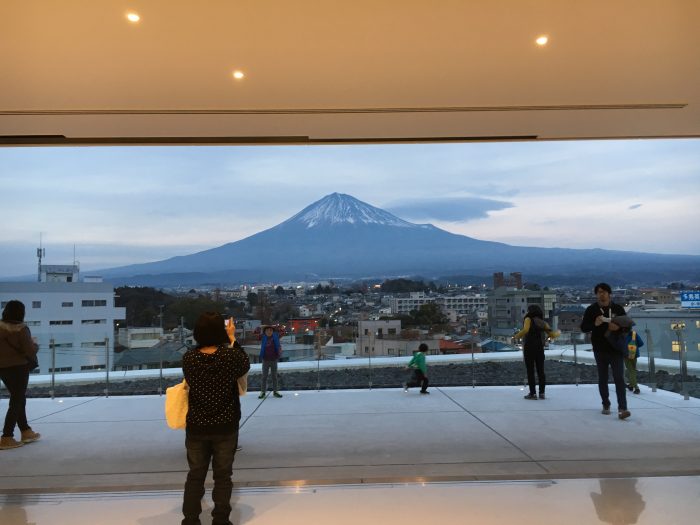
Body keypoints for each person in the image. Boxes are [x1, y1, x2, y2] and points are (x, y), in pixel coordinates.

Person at [181, 312, 250, 525]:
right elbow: (245, 364)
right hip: (225, 425)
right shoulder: (230, 357)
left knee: (195, 475)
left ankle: (190, 520)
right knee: (222, 476)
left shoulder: (189, 359)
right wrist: (232, 339)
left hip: (197, 426)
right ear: (221, 331)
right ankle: (220, 519)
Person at [581, 283, 631, 420]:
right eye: (598, 292)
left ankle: (622, 408)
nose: (601, 294)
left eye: (603, 292)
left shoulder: (618, 308)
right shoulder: (592, 310)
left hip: (615, 348)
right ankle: (606, 404)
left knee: (619, 378)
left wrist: (618, 328)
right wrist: (595, 324)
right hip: (599, 348)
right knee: (603, 378)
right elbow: (584, 327)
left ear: (609, 294)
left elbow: (627, 327)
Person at [0, 300, 41, 450]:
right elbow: (29, 351)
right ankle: (6, 436)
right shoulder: (21, 329)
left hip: (3, 368)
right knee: (17, 400)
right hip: (18, 368)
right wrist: (35, 345)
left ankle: (26, 431)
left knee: (18, 398)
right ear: (21, 313)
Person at [513, 304, 559, 400]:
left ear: (531, 311)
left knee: (530, 371)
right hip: (539, 348)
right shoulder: (542, 322)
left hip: (529, 347)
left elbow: (525, 330)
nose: (527, 312)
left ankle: (533, 394)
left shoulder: (528, 319)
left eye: (528, 310)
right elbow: (552, 335)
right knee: (540, 371)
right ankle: (542, 393)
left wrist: (516, 337)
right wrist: (558, 333)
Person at [259, 325, 282, 399]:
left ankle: (275, 391)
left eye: (271, 330)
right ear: (265, 332)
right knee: (264, 377)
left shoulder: (276, 336)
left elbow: (283, 331)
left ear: (273, 331)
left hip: (274, 359)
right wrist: (262, 326)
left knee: (274, 376)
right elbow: (255, 332)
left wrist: (277, 327)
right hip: (265, 359)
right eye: (267, 330)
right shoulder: (262, 337)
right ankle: (263, 392)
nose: (269, 332)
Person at [624, 327, 644, 395]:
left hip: (626, 355)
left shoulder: (622, 334)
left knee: (631, 370)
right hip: (634, 354)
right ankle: (631, 385)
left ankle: (636, 387)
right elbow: (641, 343)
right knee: (633, 370)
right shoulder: (634, 334)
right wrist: (634, 346)